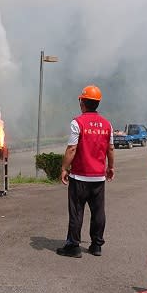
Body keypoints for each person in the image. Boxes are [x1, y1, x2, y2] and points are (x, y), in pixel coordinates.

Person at [57, 85, 115, 258]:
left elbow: (72, 149)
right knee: (98, 212)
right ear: (97, 103)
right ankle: (96, 245)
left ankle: (73, 246)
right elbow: (110, 149)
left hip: (79, 177)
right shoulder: (107, 124)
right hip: (98, 178)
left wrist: (63, 168)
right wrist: (110, 167)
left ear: (82, 102)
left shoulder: (77, 122)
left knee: (76, 211)